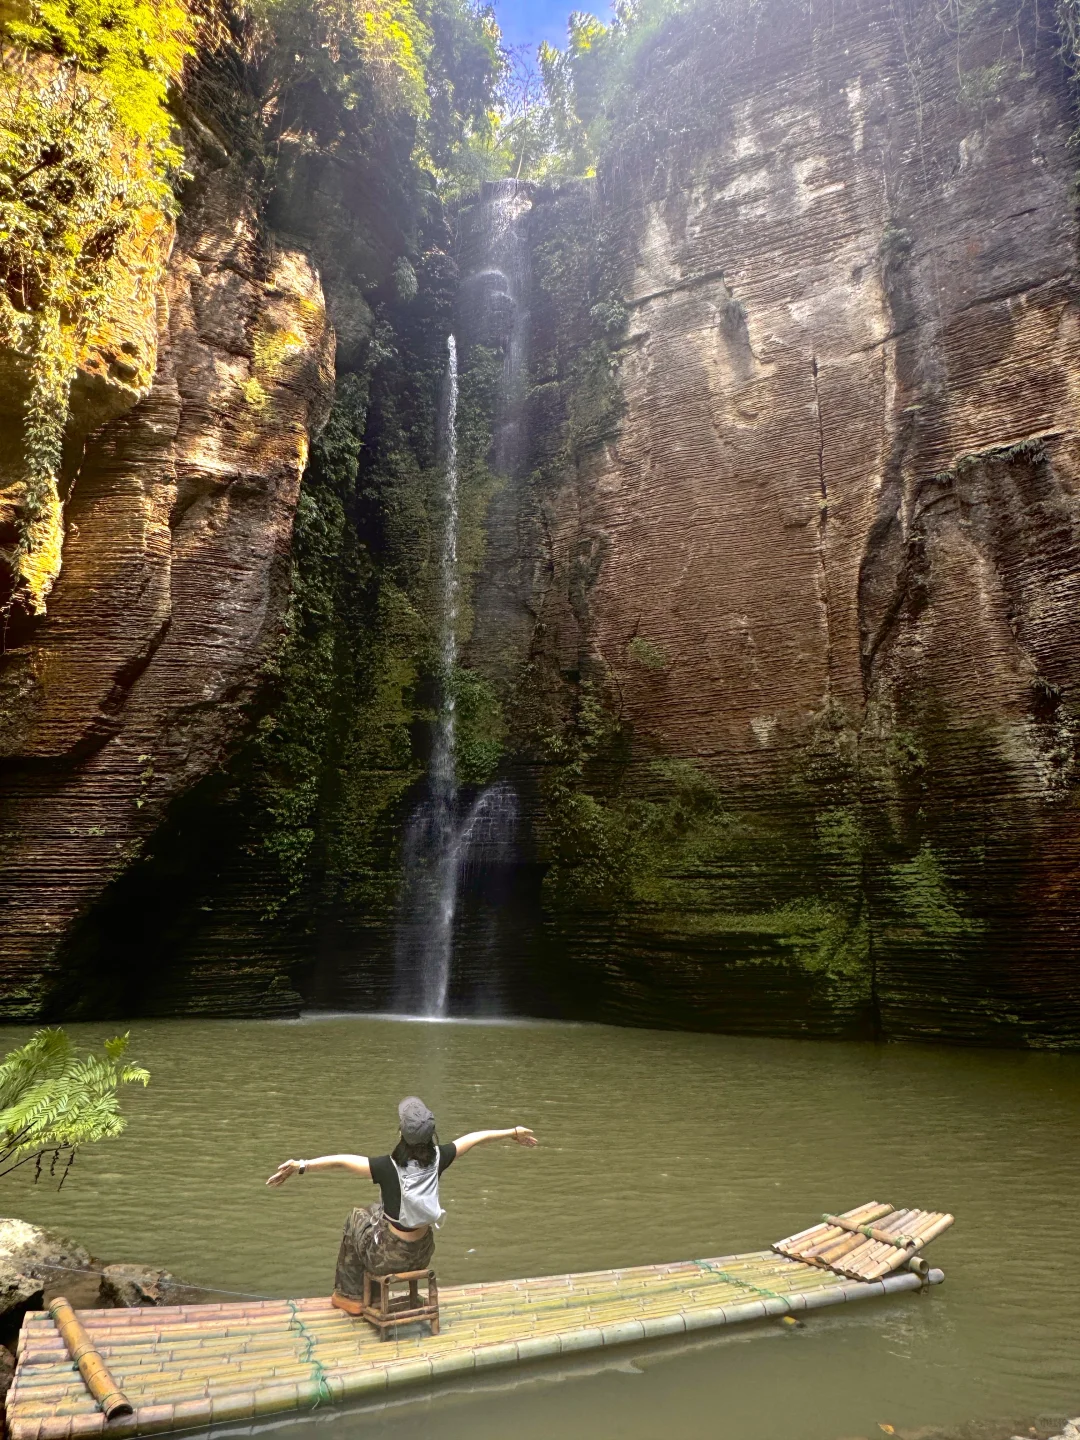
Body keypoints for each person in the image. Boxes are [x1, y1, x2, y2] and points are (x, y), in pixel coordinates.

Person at [266, 1096, 538, 1311]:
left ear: (401, 1132)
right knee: (375, 1211)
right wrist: (512, 1132)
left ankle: (350, 1297)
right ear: (432, 1135)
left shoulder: (387, 1167)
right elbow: (476, 1138)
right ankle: (368, 1294)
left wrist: (301, 1166)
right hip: (423, 1252)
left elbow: (341, 1161)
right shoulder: (439, 1158)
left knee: (354, 1218)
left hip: (387, 1259)